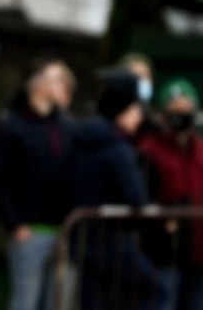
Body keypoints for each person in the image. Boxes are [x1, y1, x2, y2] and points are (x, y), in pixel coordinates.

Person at [0, 57, 76, 310]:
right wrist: (15, 225)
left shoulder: (67, 126)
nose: (62, 85)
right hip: (30, 233)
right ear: (37, 84)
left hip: (65, 230)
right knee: (25, 301)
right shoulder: (11, 126)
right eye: (56, 79)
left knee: (58, 302)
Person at [70, 69, 163, 310]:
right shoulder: (117, 148)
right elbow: (137, 198)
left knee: (95, 299)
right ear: (121, 111)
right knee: (154, 289)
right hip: (111, 239)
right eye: (135, 111)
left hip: (83, 239)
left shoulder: (80, 139)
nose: (139, 118)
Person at [137, 78, 203, 310]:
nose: (181, 115)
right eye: (175, 109)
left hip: (198, 251)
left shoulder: (200, 150)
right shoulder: (149, 149)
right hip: (165, 252)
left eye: (186, 109)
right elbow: (142, 195)